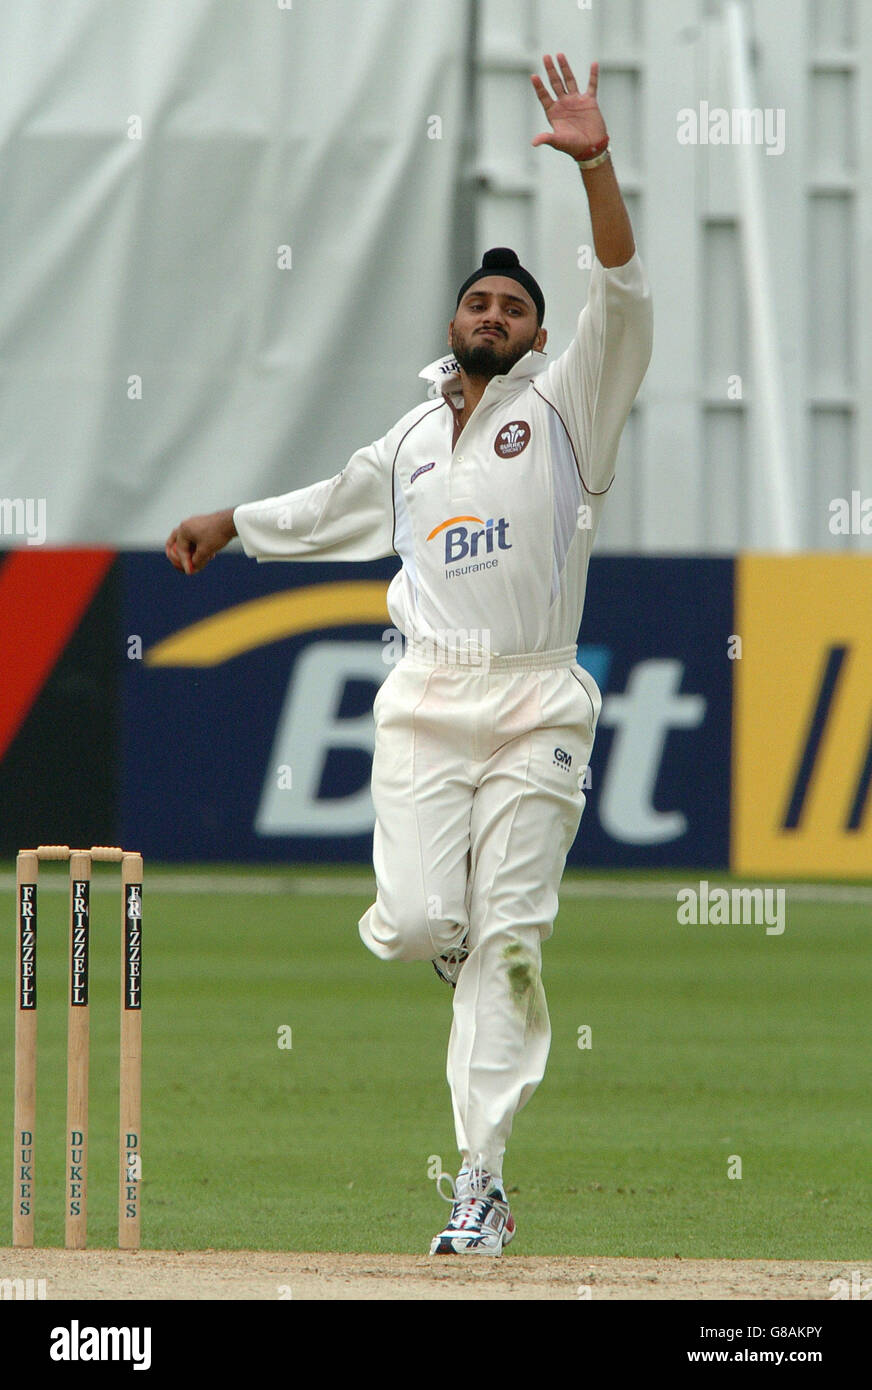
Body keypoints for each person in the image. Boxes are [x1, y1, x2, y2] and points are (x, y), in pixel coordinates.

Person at [166, 53, 653, 1256]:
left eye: (514, 309)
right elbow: (333, 504)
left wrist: (593, 161)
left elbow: (625, 291)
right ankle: (444, 943)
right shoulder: (408, 439)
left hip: (538, 696)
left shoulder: (570, 409)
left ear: (537, 334)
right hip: (426, 698)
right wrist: (232, 523)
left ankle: (477, 1186)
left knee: (511, 940)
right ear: (454, 320)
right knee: (423, 920)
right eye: (479, 303)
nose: (495, 317)